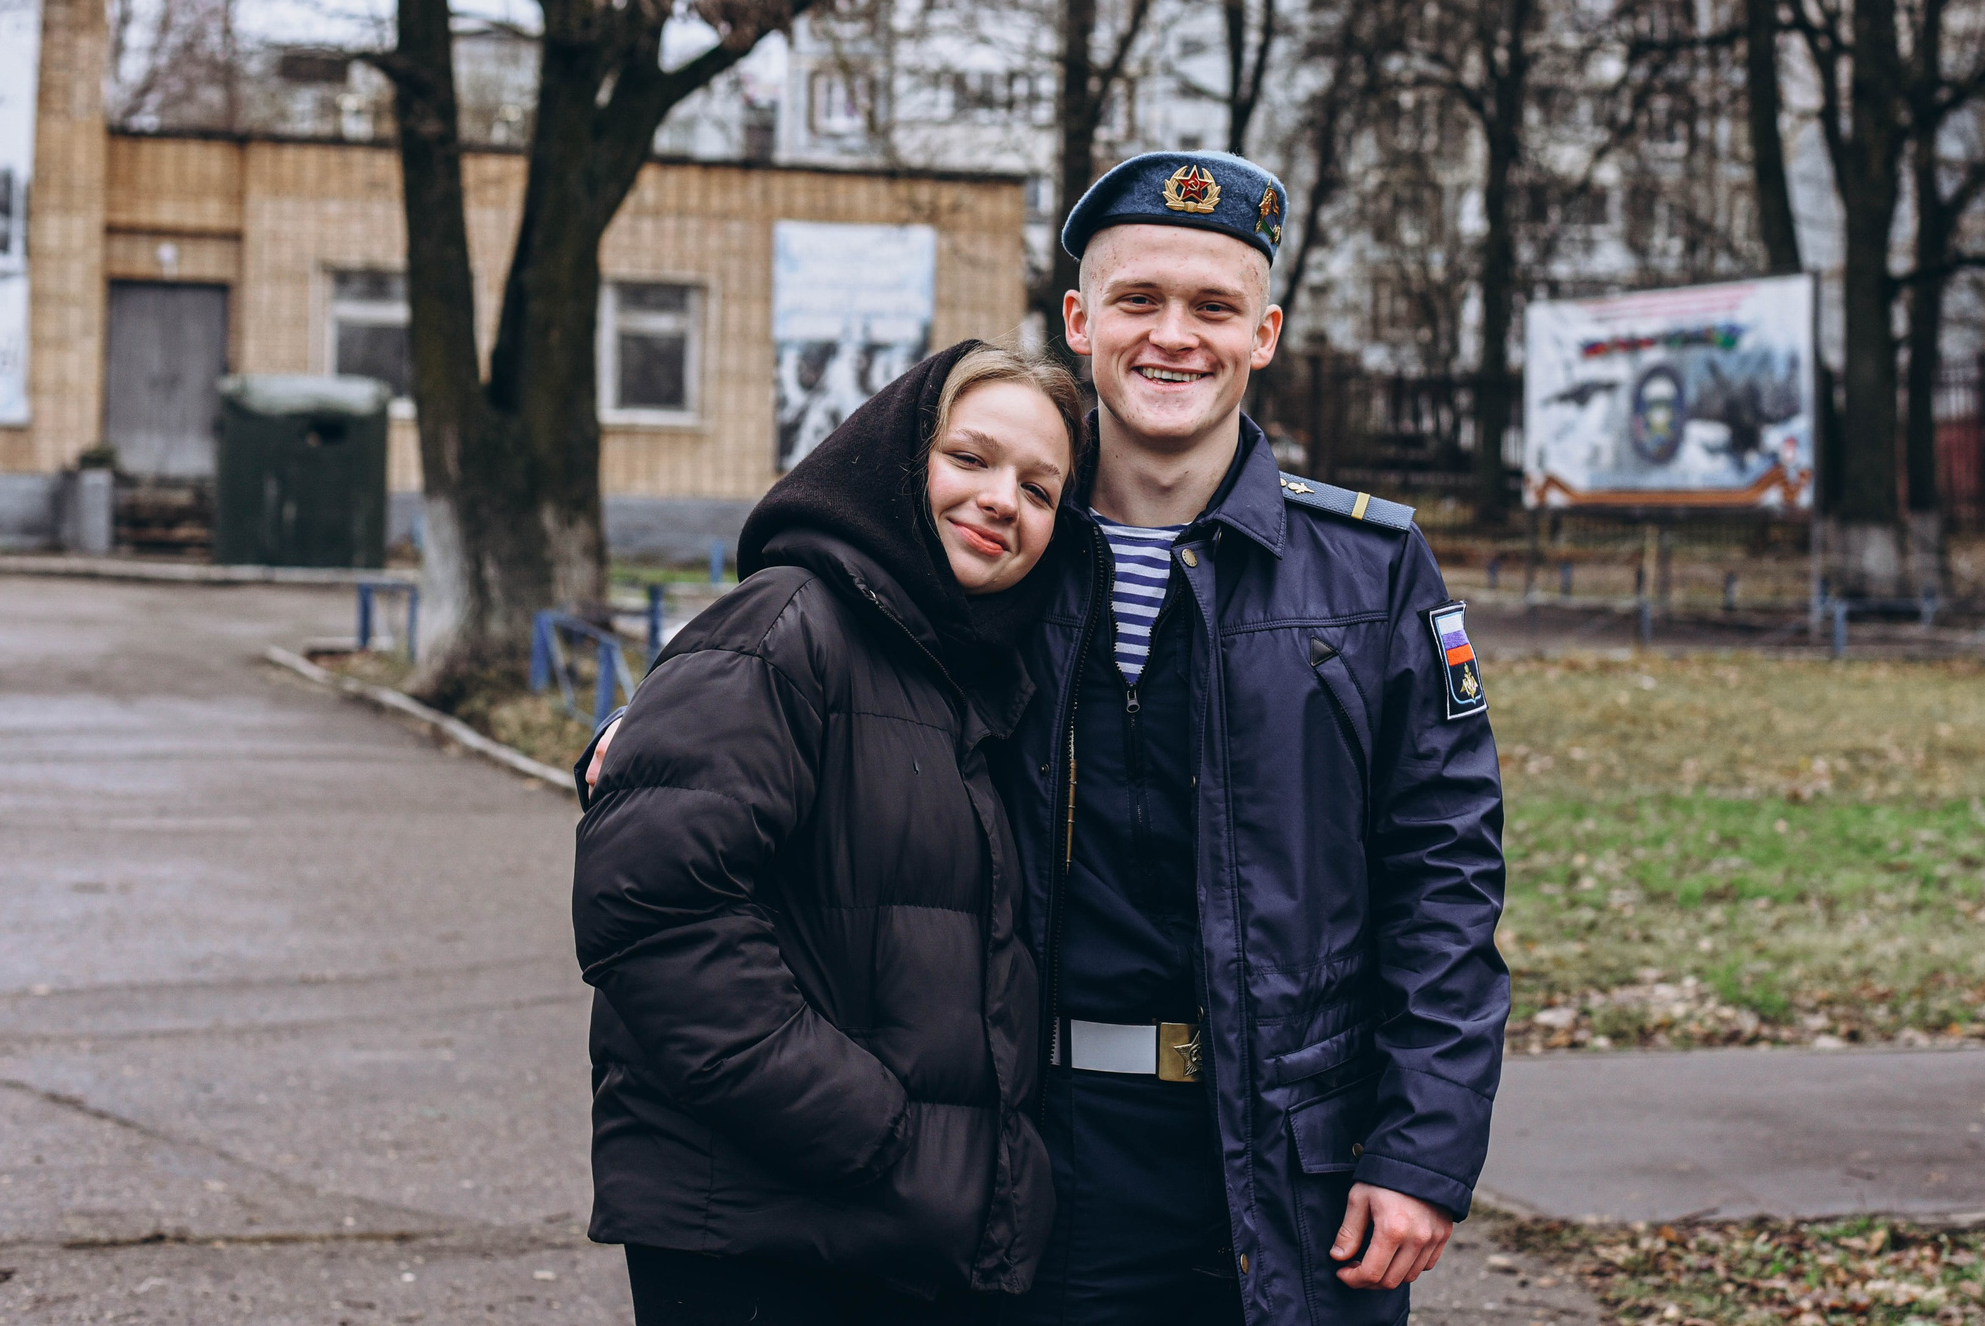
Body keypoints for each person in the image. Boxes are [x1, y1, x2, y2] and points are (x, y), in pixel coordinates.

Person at [993, 152, 1509, 1325]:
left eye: (1213, 307)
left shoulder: (1369, 570)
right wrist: (659, 722)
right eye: (1138, 301)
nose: (1173, 336)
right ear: (1079, 321)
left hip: (1293, 1155)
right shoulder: (993, 551)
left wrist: (1422, 1146)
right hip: (1030, 1141)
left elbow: (1446, 872)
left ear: (1263, 334)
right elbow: (814, 643)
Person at [572, 340, 1088, 1325]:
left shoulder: (965, 672)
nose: (999, 498)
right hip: (761, 1224)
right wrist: (870, 1125)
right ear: (895, 457)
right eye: (969, 458)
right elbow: (654, 910)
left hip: (877, 1226)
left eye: (1038, 487)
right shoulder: (785, 624)